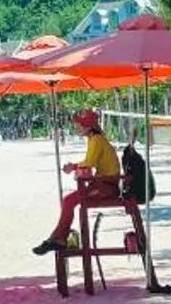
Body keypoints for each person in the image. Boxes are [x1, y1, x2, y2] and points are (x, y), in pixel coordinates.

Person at [33, 108, 124, 255]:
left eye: (79, 125)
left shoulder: (97, 140)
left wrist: (73, 167)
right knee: (69, 200)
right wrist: (76, 167)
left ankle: (58, 238)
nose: (77, 127)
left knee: (69, 201)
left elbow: (89, 163)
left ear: (88, 127)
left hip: (107, 187)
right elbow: (90, 163)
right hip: (103, 184)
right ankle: (58, 237)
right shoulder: (95, 138)